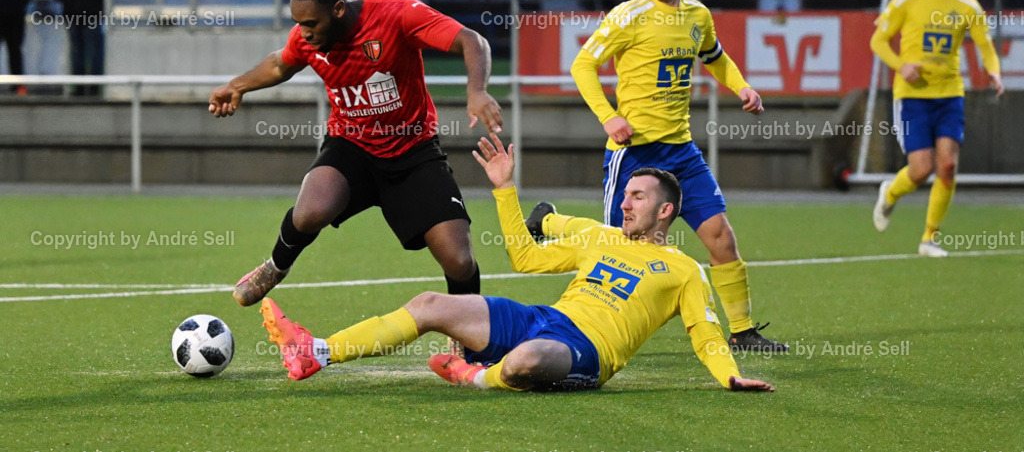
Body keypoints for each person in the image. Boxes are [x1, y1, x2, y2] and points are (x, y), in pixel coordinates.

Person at [260, 133, 774, 393]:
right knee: (431, 303)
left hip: (586, 352)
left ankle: (473, 376)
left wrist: (729, 376)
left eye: (637, 197)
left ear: (666, 211)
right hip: (544, 319)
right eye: (625, 194)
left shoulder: (684, 271)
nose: (624, 202)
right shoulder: (600, 237)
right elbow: (525, 257)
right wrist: (505, 189)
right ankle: (317, 352)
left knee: (529, 360)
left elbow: (706, 333)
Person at [551, 0, 786, 352]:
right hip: (634, 155)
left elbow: (715, 56)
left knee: (721, 236)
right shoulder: (628, 15)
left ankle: (742, 331)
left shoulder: (697, 15)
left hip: (681, 152)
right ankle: (581, 329)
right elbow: (582, 65)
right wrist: (609, 117)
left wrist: (742, 87)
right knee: (615, 251)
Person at [209, 0, 502, 307]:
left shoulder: (397, 14)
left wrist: (477, 91)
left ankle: (468, 328)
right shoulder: (306, 37)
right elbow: (279, 64)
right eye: (298, 23)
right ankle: (275, 267)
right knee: (309, 213)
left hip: (413, 149)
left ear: (337, 9)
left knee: (459, 261)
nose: (304, 33)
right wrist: (237, 86)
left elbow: (472, 40)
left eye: (311, 24)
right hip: (351, 145)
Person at [870, 0, 1003, 257]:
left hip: (949, 95)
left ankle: (929, 238)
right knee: (921, 169)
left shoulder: (967, 5)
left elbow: (985, 46)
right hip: (912, 96)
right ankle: (890, 193)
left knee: (948, 166)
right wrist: (902, 66)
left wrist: (995, 71)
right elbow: (878, 41)